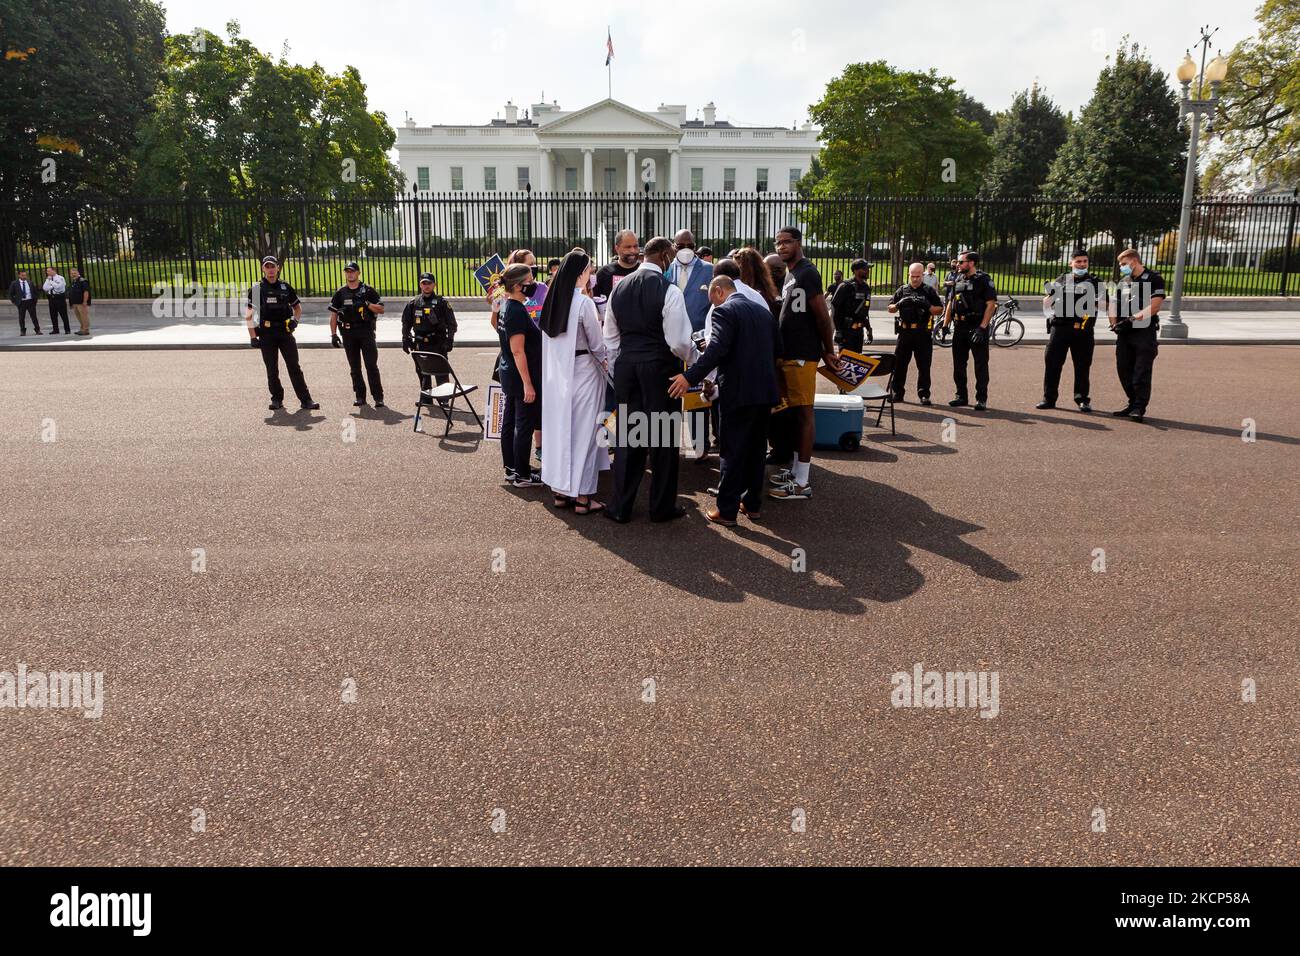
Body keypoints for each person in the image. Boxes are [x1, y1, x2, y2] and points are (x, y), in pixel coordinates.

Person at [669, 275, 781, 527]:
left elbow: (716, 350)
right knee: (756, 449)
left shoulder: (724, 311)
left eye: (712, 300)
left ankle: (727, 510)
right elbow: (778, 349)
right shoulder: (763, 311)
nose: (713, 307)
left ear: (719, 291)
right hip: (764, 391)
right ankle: (752, 504)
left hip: (738, 391)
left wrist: (690, 377)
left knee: (731, 450)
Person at [603, 236, 698, 523]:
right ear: (666, 256)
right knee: (663, 438)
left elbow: (610, 338)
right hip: (660, 369)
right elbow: (680, 342)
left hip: (627, 366)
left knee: (628, 437)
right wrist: (694, 362)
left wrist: (621, 365)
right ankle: (661, 507)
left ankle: (620, 507)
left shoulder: (618, 290)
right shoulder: (669, 291)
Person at [770, 226, 838, 501]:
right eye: (777, 243)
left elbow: (822, 316)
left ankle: (802, 483)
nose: (781, 247)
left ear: (798, 243)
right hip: (790, 354)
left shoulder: (808, 272)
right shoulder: (790, 273)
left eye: (786, 242)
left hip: (801, 356)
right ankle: (797, 471)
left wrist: (828, 350)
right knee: (795, 416)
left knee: (804, 415)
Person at [539, 248, 609, 514]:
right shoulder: (583, 303)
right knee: (587, 435)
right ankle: (583, 497)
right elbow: (597, 344)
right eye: (590, 270)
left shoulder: (553, 300)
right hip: (585, 372)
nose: (591, 275)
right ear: (581, 274)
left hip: (558, 376)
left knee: (561, 433)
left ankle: (560, 491)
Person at [246, 256, 318, 411]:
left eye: (273, 266)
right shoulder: (257, 289)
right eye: (267, 267)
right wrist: (253, 336)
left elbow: (297, 308)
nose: (270, 270)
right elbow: (249, 314)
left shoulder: (285, 287)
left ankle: (306, 400)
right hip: (266, 334)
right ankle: (277, 399)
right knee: (272, 369)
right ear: (263, 269)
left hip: (285, 333)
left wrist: (295, 321)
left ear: (278, 268)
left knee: (294, 367)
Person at [664, 228, 714, 457]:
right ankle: (669, 444)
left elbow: (715, 306)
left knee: (697, 398)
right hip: (671, 343)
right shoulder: (665, 271)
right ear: (673, 246)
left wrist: (705, 334)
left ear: (695, 246)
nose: (685, 250)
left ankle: (700, 445)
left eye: (689, 245)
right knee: (671, 392)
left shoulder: (709, 271)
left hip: (698, 342)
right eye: (680, 245)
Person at [1038, 248, 1106, 412]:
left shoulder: (1095, 282)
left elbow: (1105, 306)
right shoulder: (1062, 279)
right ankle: (1049, 398)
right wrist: (1053, 294)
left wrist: (1092, 299)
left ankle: (1082, 399)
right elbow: (1047, 303)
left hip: (1083, 329)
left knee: (1082, 366)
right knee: (1052, 363)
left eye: (1085, 261)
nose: (1082, 264)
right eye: (1078, 261)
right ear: (1071, 263)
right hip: (1060, 328)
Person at [497, 263, 544, 486]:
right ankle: (522, 475)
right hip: (519, 375)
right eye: (529, 281)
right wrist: (528, 383)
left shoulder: (507, 305)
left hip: (509, 373)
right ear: (518, 286)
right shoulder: (515, 309)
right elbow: (518, 350)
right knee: (523, 425)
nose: (533, 284)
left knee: (511, 422)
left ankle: (513, 467)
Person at [1108, 248, 1166, 423]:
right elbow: (1113, 304)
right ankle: (1132, 402)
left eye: (1124, 264)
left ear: (1134, 261)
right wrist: (1114, 324)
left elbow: (1155, 306)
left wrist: (1133, 318)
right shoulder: (1124, 281)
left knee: (1141, 372)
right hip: (1124, 332)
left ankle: (1139, 407)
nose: (1122, 267)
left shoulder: (1154, 278)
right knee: (1123, 368)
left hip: (1144, 331)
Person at [940, 250, 996, 410]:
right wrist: (945, 325)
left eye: (961, 262)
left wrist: (982, 328)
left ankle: (981, 399)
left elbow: (991, 305)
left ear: (971, 263)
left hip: (977, 326)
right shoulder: (957, 278)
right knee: (958, 364)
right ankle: (961, 396)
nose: (957, 264)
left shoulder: (984, 280)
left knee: (980, 364)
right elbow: (951, 302)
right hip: (960, 327)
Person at [327, 262, 385, 408]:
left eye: (352, 271)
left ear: (358, 273)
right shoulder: (340, 293)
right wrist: (333, 334)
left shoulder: (368, 290)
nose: (350, 274)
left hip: (366, 332)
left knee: (371, 365)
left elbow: (381, 309)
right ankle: (360, 396)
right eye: (347, 271)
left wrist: (367, 304)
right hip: (348, 333)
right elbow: (333, 314)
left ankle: (378, 397)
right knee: (354, 367)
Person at [887, 262, 944, 405]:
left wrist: (928, 306)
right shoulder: (902, 290)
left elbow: (940, 309)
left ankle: (924, 394)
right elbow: (890, 308)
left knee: (924, 365)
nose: (915, 279)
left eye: (918, 276)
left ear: (923, 275)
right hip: (905, 332)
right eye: (912, 276)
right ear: (909, 275)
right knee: (899, 364)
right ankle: (897, 392)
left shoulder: (929, 291)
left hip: (922, 333)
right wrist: (899, 303)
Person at [401, 272, 457, 407]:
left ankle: (443, 398)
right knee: (422, 370)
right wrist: (405, 338)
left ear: (434, 285)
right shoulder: (414, 303)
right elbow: (406, 323)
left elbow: (452, 323)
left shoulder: (442, 303)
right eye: (423, 283)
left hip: (437, 341)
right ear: (420, 285)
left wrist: (450, 339)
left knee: (440, 370)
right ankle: (426, 396)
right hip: (420, 342)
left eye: (429, 283)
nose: (426, 286)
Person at [593, 229, 640, 320]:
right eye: (628, 247)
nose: (633, 250)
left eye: (635, 246)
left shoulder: (645, 271)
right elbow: (594, 302)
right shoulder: (604, 273)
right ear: (617, 248)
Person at [830, 259, 873, 352]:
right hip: (846, 332)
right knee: (845, 362)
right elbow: (835, 308)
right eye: (865, 268)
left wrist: (869, 329)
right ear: (856, 270)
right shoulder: (845, 286)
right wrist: (838, 330)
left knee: (857, 362)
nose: (868, 271)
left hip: (859, 332)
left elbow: (864, 311)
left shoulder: (866, 288)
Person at [8, 269, 40, 335]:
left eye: (25, 275)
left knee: (34, 316)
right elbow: (11, 294)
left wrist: (34, 301)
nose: (24, 277)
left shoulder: (30, 282)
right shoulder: (14, 283)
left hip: (30, 302)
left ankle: (37, 330)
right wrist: (15, 302)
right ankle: (23, 331)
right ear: (19, 275)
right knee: (21, 317)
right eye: (22, 275)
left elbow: (35, 292)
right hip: (21, 303)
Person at [42, 267, 70, 334]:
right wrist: (52, 286)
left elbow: (59, 288)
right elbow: (45, 288)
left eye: (49, 271)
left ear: (54, 271)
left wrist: (51, 282)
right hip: (51, 298)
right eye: (47, 271)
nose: (47, 272)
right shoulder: (48, 278)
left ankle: (67, 329)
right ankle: (55, 329)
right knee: (53, 315)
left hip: (59, 297)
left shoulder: (60, 278)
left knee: (63, 314)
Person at [68, 268, 91, 335]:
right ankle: (82, 329)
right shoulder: (74, 282)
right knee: (79, 317)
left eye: (74, 273)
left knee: (84, 316)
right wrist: (71, 303)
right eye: (72, 273)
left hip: (81, 303)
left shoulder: (82, 281)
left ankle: (86, 329)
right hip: (75, 303)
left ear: (78, 273)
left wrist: (85, 301)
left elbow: (86, 292)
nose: (73, 275)